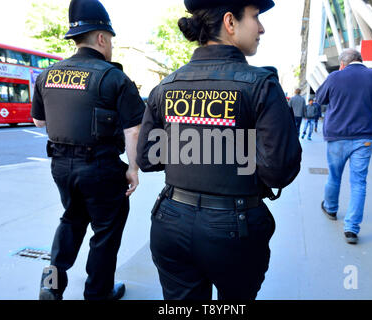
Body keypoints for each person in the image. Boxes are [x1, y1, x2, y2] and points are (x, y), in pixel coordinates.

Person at [136, 0, 301, 300]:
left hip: (170, 220)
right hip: (233, 228)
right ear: (230, 22)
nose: (261, 28)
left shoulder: (167, 85)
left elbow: (147, 158)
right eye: (255, 17)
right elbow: (279, 170)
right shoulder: (261, 85)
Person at [31, 0, 145, 300]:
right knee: (105, 233)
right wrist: (133, 169)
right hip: (101, 168)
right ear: (102, 38)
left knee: (71, 219)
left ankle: (51, 285)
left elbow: (39, 120)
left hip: (61, 167)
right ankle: (98, 294)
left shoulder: (47, 75)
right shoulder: (114, 77)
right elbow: (133, 129)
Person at [316, 48, 372, 244]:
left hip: (337, 136)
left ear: (343, 63)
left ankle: (331, 208)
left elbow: (319, 99)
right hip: (364, 138)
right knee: (359, 183)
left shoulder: (335, 76)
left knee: (334, 176)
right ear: (360, 60)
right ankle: (351, 229)